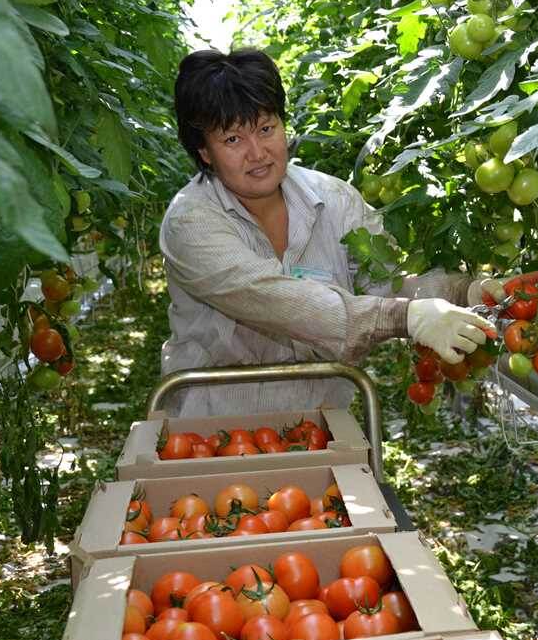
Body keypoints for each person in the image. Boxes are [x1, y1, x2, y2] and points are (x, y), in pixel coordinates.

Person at [159, 48, 510, 417]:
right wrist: (403, 318)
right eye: (233, 140)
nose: (257, 152)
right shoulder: (191, 223)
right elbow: (274, 300)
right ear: (204, 152)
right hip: (211, 432)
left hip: (319, 427)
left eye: (266, 129)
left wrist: (463, 292)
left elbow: (391, 281)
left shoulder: (333, 200)